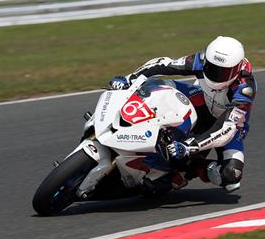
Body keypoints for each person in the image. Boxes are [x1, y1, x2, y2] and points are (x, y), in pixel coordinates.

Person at [109, 36, 257, 193]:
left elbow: (226, 128)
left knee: (231, 174)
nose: (214, 74)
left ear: (237, 68)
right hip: (200, 101)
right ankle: (127, 120)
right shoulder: (201, 60)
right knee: (156, 84)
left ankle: (189, 169)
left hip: (229, 127)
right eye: (211, 67)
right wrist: (130, 79)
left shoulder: (245, 88)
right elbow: (163, 64)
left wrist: (190, 146)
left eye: (223, 72)